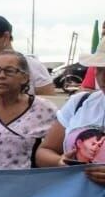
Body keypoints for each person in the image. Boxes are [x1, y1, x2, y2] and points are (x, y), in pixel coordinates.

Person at [35, 50, 105, 185]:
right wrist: (59, 162)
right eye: (99, 69)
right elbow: (44, 152)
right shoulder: (79, 102)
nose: (103, 77)